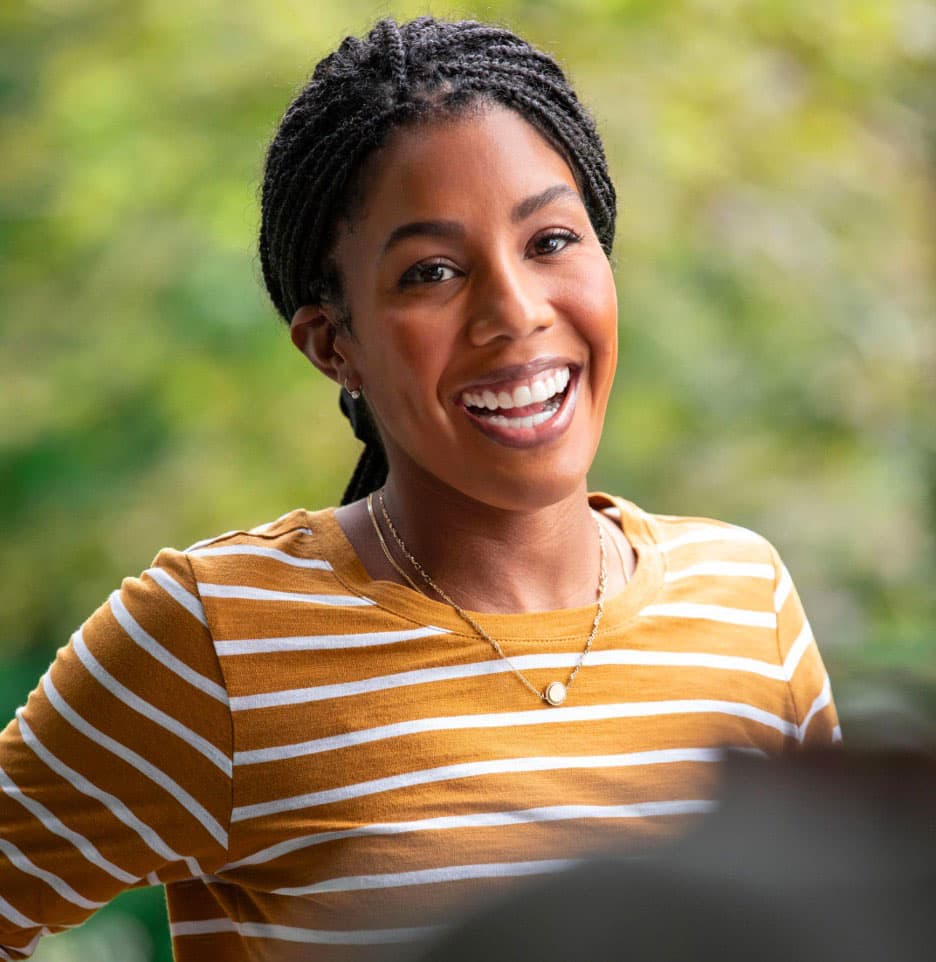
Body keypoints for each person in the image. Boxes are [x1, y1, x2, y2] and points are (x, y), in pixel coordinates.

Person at [0, 16, 840, 962]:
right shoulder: (214, 642)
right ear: (334, 343)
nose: (515, 313)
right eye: (431, 272)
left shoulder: (746, 604)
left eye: (551, 240)